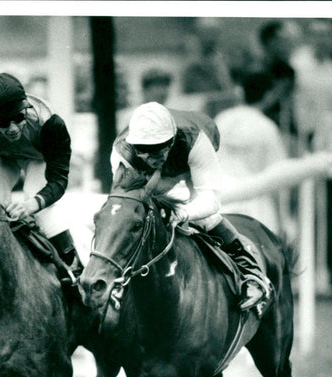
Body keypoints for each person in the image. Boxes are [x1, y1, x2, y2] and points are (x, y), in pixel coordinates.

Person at [111, 102, 270, 312]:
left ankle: (251, 271)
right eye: (143, 150)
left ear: (171, 141)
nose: (150, 157)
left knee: (204, 217)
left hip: (188, 163)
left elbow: (211, 200)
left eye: (156, 149)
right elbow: (129, 202)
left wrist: (183, 213)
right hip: (153, 174)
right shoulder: (122, 151)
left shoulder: (195, 140)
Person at [0, 72, 81, 281]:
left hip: (37, 158)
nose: (12, 128)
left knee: (39, 206)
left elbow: (58, 180)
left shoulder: (51, 124)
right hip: (4, 158)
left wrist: (31, 205)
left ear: (26, 107)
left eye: (19, 118)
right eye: (2, 123)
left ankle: (73, 267)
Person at [214, 71, 291, 236]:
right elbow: (279, 175)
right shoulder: (266, 127)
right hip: (254, 205)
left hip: (220, 202)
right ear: (269, 94)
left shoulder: (222, 119)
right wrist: (284, 219)